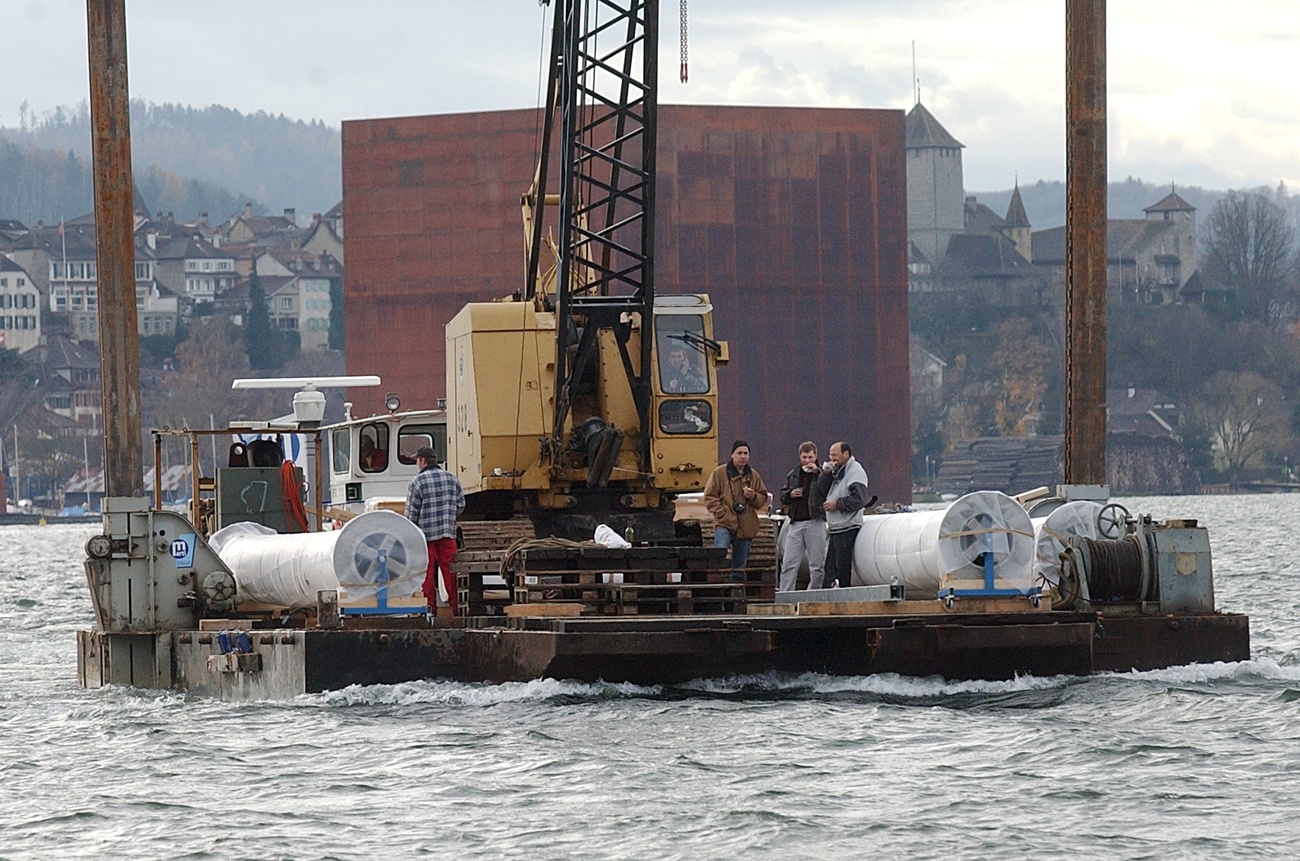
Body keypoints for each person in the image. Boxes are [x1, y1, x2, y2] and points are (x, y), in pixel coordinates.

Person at [404, 445, 465, 614]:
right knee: (451, 573)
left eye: (417, 460)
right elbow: (461, 505)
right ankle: (457, 610)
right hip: (447, 536)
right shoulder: (452, 478)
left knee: (427, 575)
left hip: (425, 539)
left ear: (423, 460)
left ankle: (430, 610)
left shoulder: (417, 482)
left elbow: (411, 515)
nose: (417, 463)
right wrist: (448, 517)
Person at [703, 440, 768, 582]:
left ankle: (736, 593)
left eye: (746, 453)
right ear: (732, 455)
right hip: (724, 524)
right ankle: (717, 589)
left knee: (739, 566)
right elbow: (709, 497)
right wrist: (723, 513)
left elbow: (762, 499)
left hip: (745, 526)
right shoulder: (719, 473)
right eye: (739, 453)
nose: (742, 456)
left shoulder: (754, 476)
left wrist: (753, 496)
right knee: (719, 556)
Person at [817, 440, 869, 588]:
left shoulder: (855, 472)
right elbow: (821, 489)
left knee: (842, 568)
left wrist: (837, 504)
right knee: (830, 569)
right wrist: (826, 474)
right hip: (836, 527)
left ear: (846, 454)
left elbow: (859, 499)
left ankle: (844, 597)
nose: (832, 459)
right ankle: (829, 598)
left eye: (835, 455)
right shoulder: (838, 470)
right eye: (830, 455)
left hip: (847, 526)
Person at [778, 441, 827, 592]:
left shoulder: (823, 475)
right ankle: (785, 595)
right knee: (789, 564)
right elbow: (782, 494)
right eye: (804, 457)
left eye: (810, 457)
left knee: (817, 564)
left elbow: (826, 490)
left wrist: (817, 473)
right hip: (796, 523)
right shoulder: (793, 475)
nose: (807, 461)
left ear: (816, 456)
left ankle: (814, 595)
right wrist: (790, 494)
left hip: (815, 521)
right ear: (800, 456)